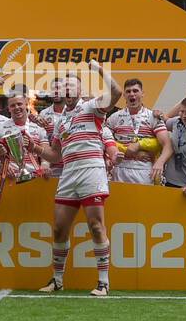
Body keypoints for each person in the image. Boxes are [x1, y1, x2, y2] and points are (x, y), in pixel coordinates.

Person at [34, 64, 123, 296]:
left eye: (72, 85)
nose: (67, 89)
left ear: (80, 90)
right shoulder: (61, 121)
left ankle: (103, 282)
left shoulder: (92, 107)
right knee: (59, 229)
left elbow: (116, 93)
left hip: (91, 171)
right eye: (64, 86)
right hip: (68, 174)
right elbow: (55, 155)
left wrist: (100, 71)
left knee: (95, 226)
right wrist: (34, 147)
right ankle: (57, 279)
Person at [107, 78, 171, 184]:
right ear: (124, 95)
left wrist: (160, 163)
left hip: (144, 169)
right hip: (120, 168)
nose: (132, 94)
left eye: (135, 91)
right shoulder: (114, 117)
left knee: (143, 200)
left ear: (142, 94)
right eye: (128, 91)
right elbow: (103, 140)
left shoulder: (152, 116)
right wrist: (125, 150)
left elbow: (167, 145)